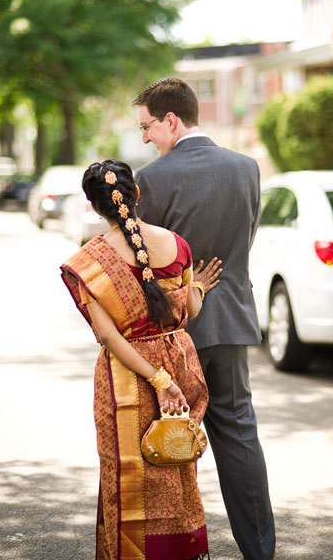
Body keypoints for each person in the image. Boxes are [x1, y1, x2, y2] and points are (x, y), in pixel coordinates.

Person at [132, 77, 275, 560]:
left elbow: (145, 265)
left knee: (169, 440)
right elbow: (244, 241)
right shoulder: (247, 168)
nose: (146, 138)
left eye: (147, 127)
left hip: (174, 333)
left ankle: (183, 548)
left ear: (171, 120)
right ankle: (260, 552)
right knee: (239, 435)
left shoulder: (150, 179)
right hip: (232, 321)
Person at [60, 159, 222, 560]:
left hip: (126, 377)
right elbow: (188, 312)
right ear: (136, 194)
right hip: (180, 363)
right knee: (175, 464)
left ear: (95, 208)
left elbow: (108, 335)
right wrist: (197, 286)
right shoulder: (176, 244)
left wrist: (157, 380)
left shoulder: (89, 262)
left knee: (128, 474)